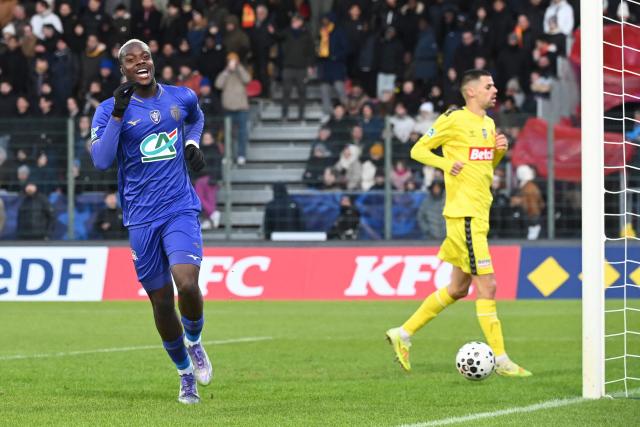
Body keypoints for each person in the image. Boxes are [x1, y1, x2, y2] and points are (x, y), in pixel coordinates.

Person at [385, 69, 532, 377]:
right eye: (488, 86)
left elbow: (483, 169)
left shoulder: (489, 124)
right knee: (488, 286)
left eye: (494, 84)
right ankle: (502, 361)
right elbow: (417, 150)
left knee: (457, 288)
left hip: (478, 213)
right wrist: (444, 163)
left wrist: (498, 154)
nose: (495, 89)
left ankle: (403, 333)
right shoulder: (452, 120)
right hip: (464, 216)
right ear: (471, 92)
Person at [90, 39, 212, 404]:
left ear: (152, 62)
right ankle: (184, 374)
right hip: (141, 217)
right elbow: (100, 159)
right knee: (160, 302)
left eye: (144, 56)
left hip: (179, 207)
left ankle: (194, 341)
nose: (139, 62)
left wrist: (191, 143)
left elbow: (197, 115)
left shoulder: (179, 97)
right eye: (130, 59)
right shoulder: (109, 110)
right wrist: (117, 115)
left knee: (186, 283)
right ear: (122, 69)